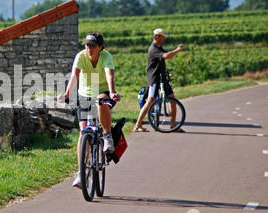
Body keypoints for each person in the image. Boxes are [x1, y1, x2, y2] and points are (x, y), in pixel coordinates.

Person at [57, 32, 120, 188]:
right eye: (86, 45)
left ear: (100, 47)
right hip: (84, 95)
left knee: (101, 102)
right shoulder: (81, 56)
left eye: (92, 46)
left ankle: (107, 136)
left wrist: (112, 92)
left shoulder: (106, 57)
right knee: (83, 132)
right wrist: (66, 93)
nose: (88, 48)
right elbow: (74, 76)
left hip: (103, 91)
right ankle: (81, 171)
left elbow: (109, 74)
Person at [133, 28, 185, 132]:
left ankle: (173, 125)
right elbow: (167, 56)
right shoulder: (153, 49)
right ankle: (137, 125)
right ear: (157, 37)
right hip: (154, 79)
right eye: (162, 37)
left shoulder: (159, 47)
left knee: (172, 100)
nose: (164, 39)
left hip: (162, 78)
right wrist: (178, 49)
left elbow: (167, 54)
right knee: (150, 101)